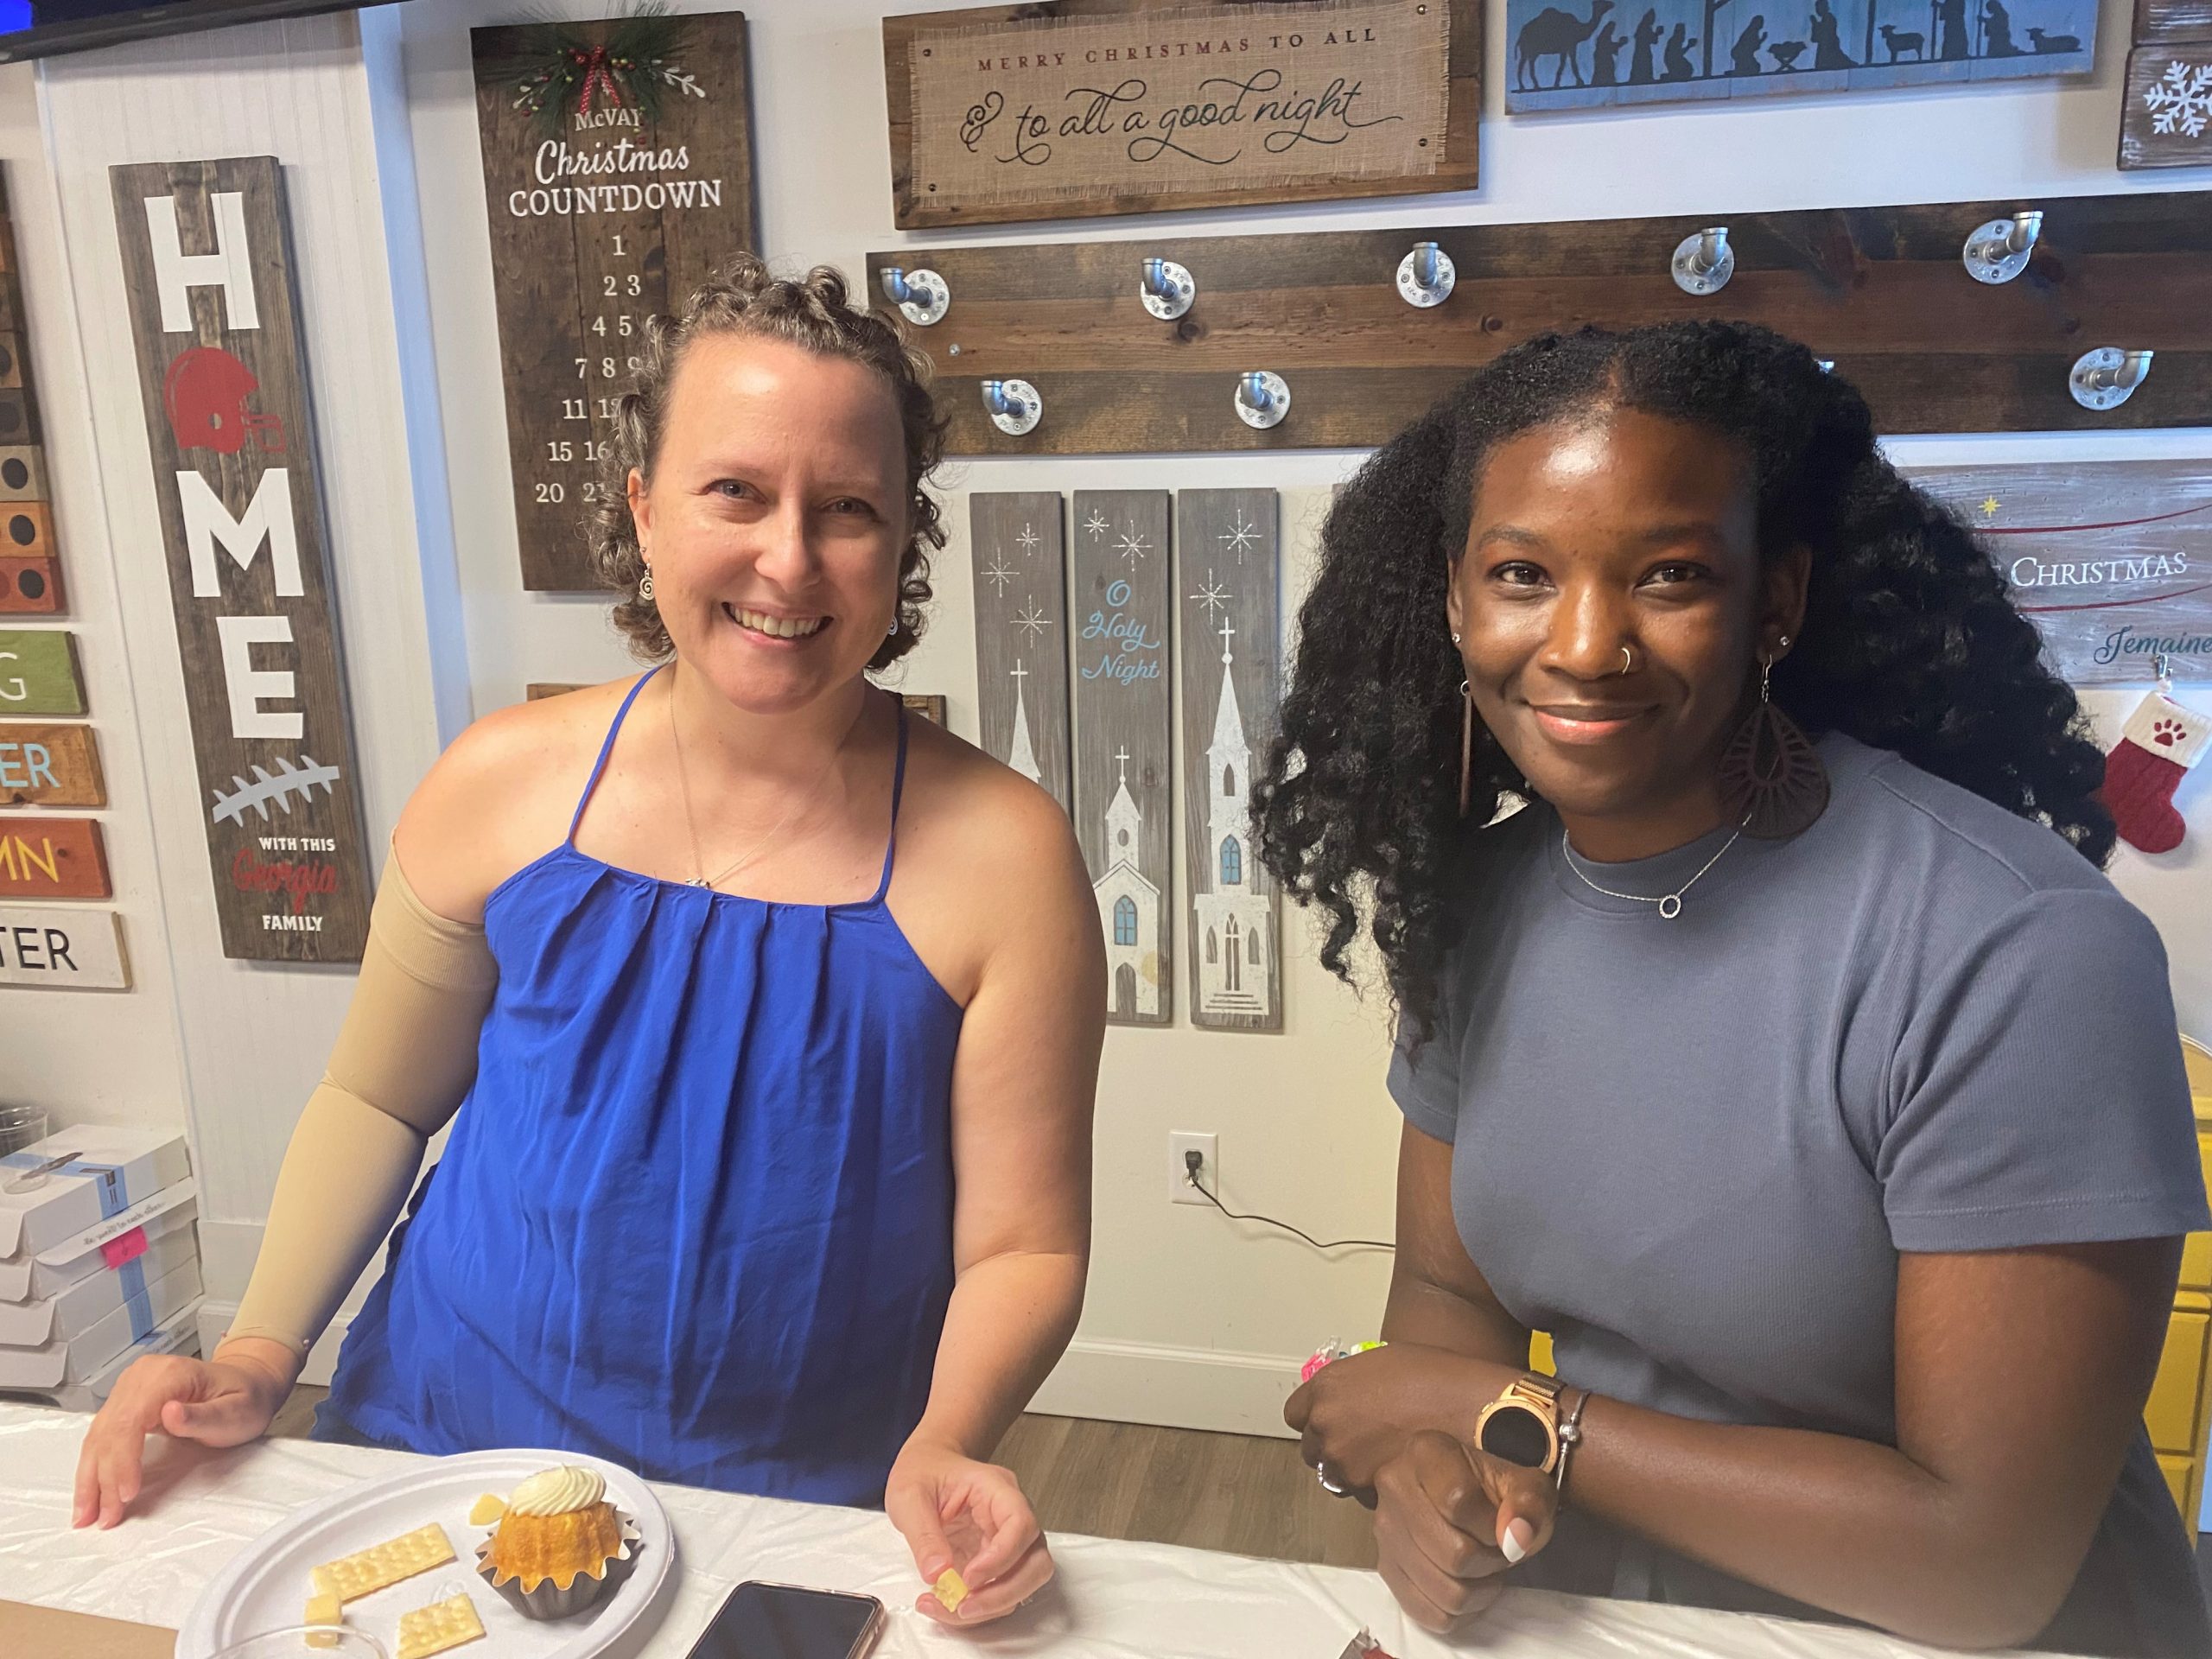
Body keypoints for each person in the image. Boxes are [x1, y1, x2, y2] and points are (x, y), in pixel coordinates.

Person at [74, 260, 1106, 1629]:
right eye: (735, 491)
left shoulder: (1008, 857)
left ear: (901, 539)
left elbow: (1025, 1245)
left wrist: (949, 1437)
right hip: (444, 1458)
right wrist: (261, 1352)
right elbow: (378, 1098)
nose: (788, 559)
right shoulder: (498, 783)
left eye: (848, 509)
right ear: (644, 509)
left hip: (793, 1510)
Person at [1257, 321, 2210, 1656]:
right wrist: (1441, 1482)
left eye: (1671, 575)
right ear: (1457, 603)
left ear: (1777, 601)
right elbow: (1447, 1300)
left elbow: (1983, 1567)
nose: (1586, 644)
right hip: (1616, 1612)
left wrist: (1512, 1420)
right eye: (1523, 573)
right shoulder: (1476, 907)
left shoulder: (2017, 950)